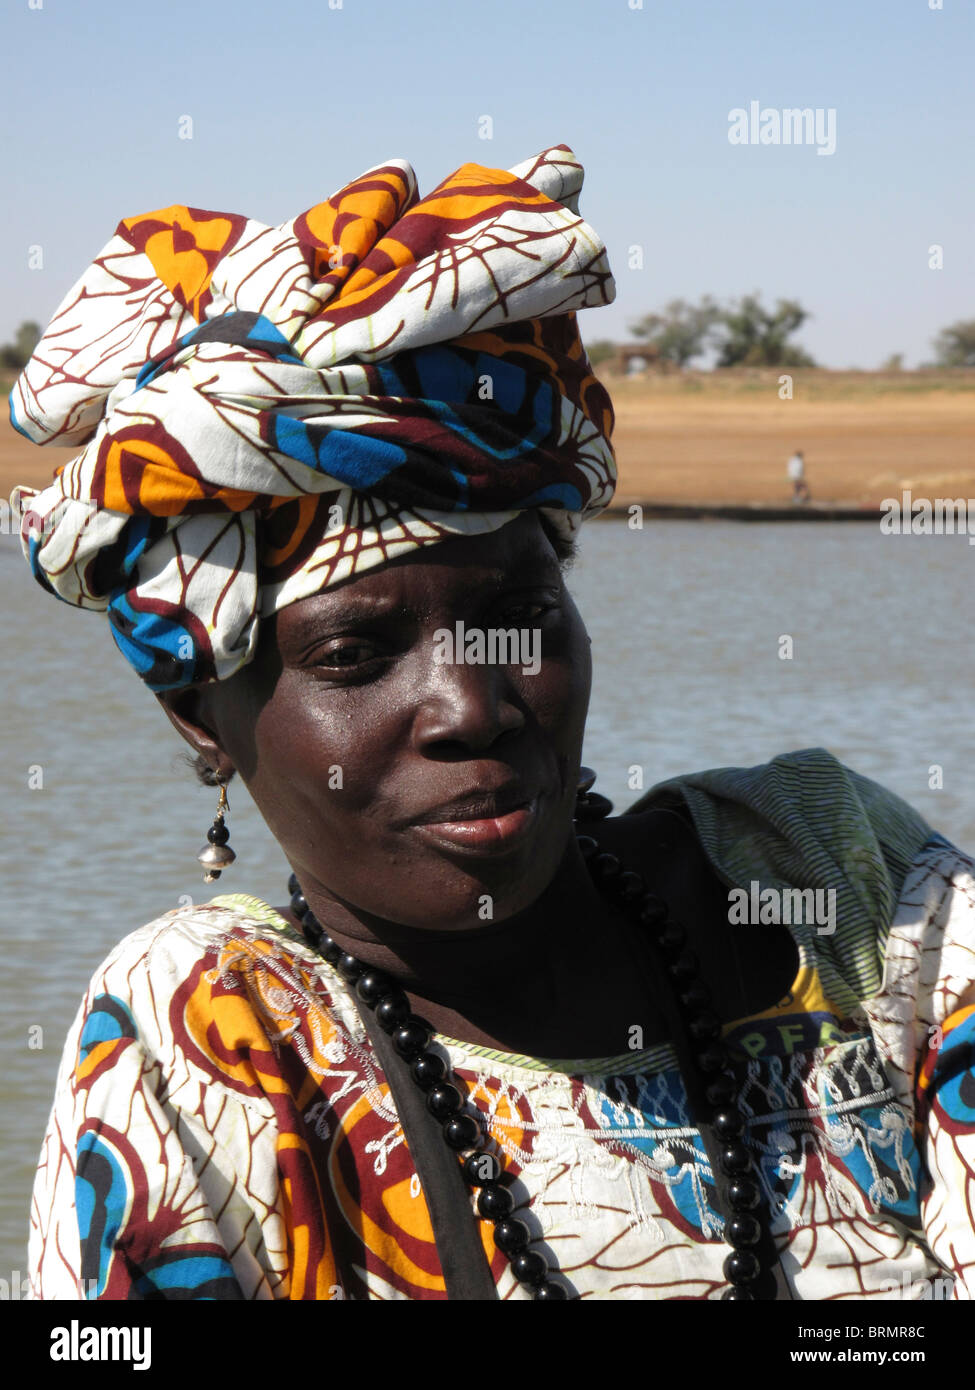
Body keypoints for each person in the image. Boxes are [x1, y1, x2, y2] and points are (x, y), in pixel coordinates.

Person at [11, 144, 975, 1303]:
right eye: (356, 655)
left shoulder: (838, 877)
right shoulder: (208, 1039)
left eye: (516, 617)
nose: (473, 705)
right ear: (198, 717)